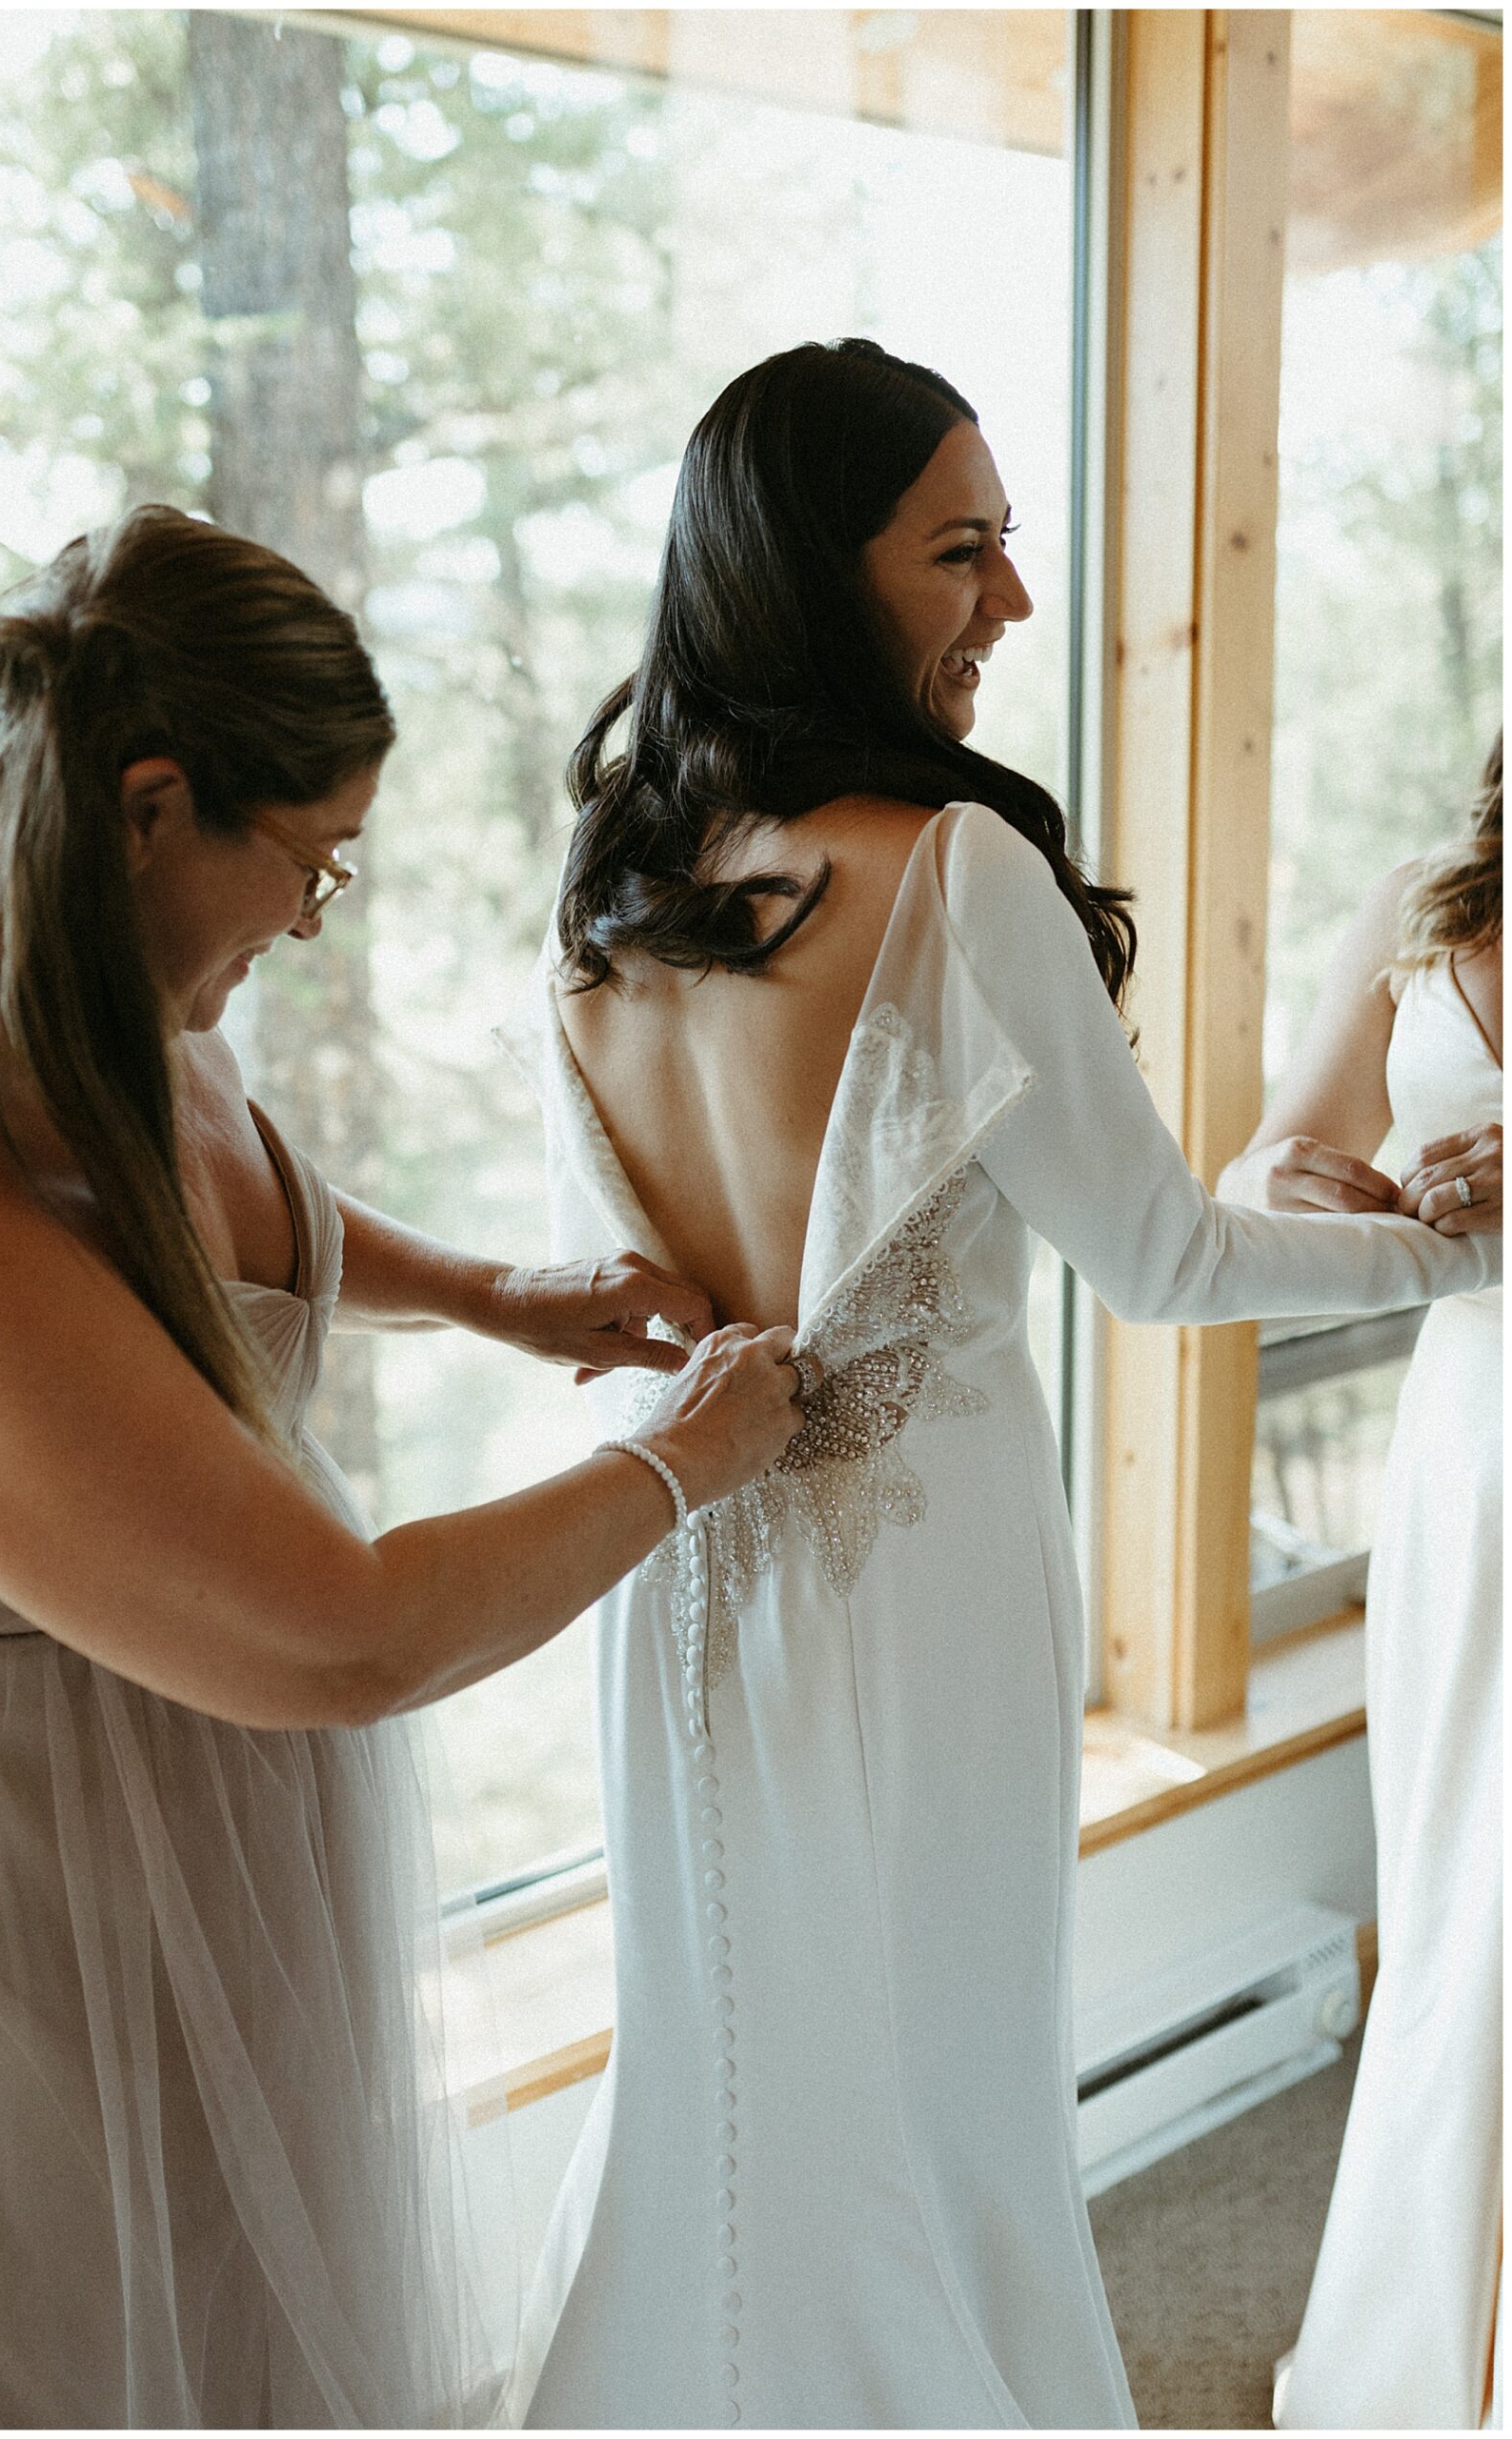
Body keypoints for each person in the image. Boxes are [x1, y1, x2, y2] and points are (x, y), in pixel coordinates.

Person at [494, 338, 1502, 2430]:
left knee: (723, 2064)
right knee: (942, 2071)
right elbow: (1165, 1258)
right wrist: (1450, 1232)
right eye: (963, 551)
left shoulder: (605, 881)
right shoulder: (949, 871)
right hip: (925, 1579)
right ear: (804, 569)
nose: (1011, 605)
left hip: (677, 1564)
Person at [0, 504, 804, 2429]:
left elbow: (213, 1211)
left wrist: (495, 1292)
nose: (315, 916)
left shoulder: (105, 978)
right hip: (37, 1898)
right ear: (151, 806)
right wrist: (681, 1465)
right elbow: (344, 1634)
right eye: (308, 860)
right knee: (92, 2350)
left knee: (255, 2310)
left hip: (208, 1832)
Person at [1220, 737, 1502, 2431]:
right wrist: (1299, 1185)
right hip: (1474, 1457)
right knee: (1465, 1896)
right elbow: (1275, 1150)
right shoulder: (1416, 909)